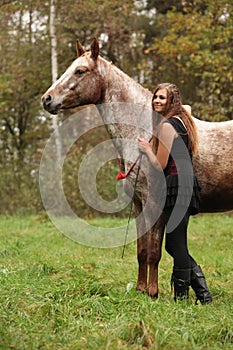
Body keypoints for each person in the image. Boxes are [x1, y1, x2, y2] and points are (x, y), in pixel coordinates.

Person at [138, 83, 212, 304]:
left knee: (175, 244)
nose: (157, 101)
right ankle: (199, 294)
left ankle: (189, 296)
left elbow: (159, 165)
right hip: (187, 184)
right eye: (155, 97)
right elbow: (186, 107)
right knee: (174, 243)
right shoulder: (183, 120)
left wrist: (147, 149)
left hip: (176, 185)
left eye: (162, 98)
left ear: (172, 102)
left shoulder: (167, 126)